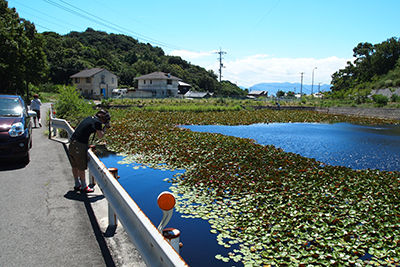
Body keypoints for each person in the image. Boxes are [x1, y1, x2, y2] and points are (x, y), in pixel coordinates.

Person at [68, 110, 111, 193]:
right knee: (81, 167)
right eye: (105, 119)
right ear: (102, 118)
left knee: (74, 165)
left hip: (72, 143)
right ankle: (84, 186)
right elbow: (100, 136)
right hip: (79, 146)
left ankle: (77, 184)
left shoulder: (89, 118)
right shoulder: (97, 123)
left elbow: (83, 132)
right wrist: (105, 127)